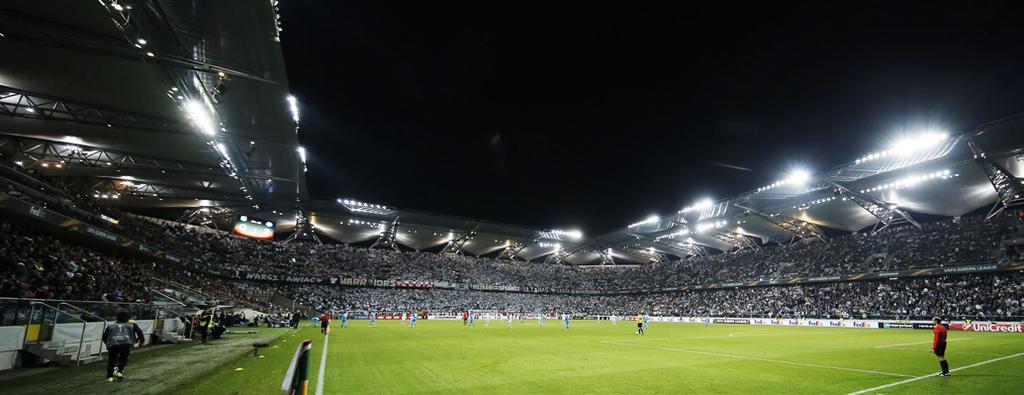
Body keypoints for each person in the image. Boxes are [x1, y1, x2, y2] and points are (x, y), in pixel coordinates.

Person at [102, 311, 145, 383]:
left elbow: (105, 337)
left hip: (113, 344)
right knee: (123, 358)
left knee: (112, 360)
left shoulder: (111, 326)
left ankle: (109, 377)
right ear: (127, 318)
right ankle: (119, 371)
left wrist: (108, 343)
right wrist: (141, 341)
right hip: (126, 344)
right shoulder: (131, 325)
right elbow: (139, 332)